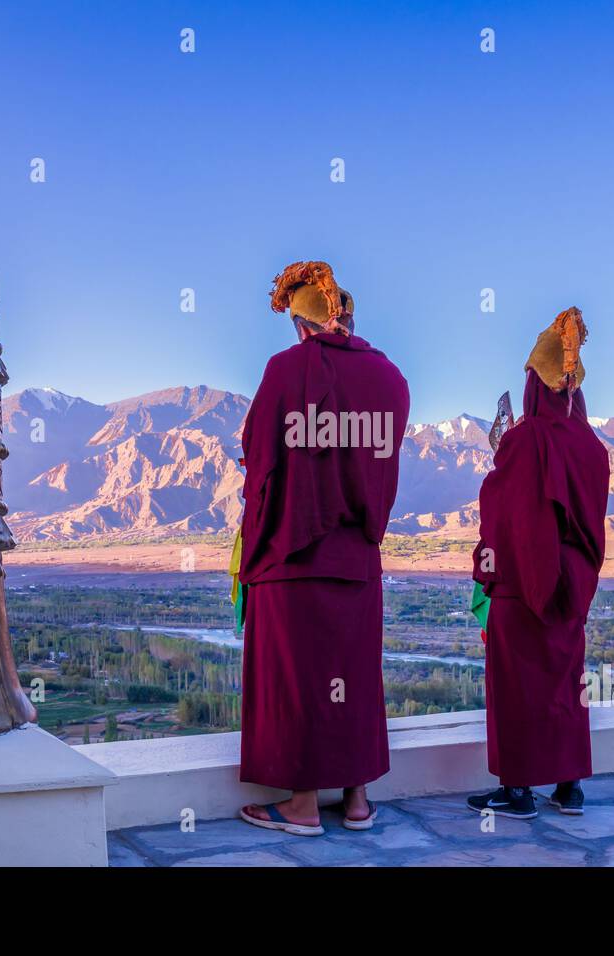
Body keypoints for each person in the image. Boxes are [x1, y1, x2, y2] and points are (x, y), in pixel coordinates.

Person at [235, 260, 410, 836]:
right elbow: (378, 468)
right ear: (348, 318)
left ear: (300, 325)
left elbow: (261, 460)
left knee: (298, 678)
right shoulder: (390, 379)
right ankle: (356, 800)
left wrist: (255, 543)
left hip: (290, 553)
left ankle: (303, 804)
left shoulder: (284, 371)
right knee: (351, 674)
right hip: (356, 556)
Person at [467, 308, 610, 819]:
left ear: (533, 384)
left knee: (517, 687)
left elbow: (507, 513)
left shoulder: (526, 441)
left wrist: (500, 456)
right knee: (564, 687)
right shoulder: (593, 448)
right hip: (572, 587)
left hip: (522, 585)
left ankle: (518, 790)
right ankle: (569, 787)